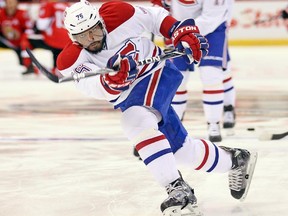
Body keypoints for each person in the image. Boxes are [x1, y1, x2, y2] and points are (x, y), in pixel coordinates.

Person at [56, 1, 257, 215]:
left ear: (100, 22)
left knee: (133, 120)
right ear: (72, 37)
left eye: (94, 31)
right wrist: (112, 82)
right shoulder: (70, 60)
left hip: (156, 73)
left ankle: (178, 190)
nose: (91, 39)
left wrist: (178, 31)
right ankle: (235, 160)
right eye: (82, 36)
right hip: (129, 95)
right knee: (181, 152)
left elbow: (154, 17)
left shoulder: (118, 13)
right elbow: (94, 86)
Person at [153, 0, 236, 142]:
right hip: (178, 28)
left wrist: (185, 33)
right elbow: (160, 10)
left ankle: (214, 123)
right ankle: (173, 126)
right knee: (178, 79)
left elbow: (212, 18)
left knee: (211, 76)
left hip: (212, 30)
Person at [30, 0, 71, 75]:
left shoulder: (47, 4)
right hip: (69, 40)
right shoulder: (67, 5)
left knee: (26, 39)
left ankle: (28, 65)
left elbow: (41, 25)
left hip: (55, 40)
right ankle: (58, 68)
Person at [0, 0, 36, 75]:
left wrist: (20, 36)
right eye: (9, 3)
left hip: (20, 43)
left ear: (17, 4)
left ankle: (29, 66)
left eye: (13, 3)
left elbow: (30, 29)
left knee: (25, 44)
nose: (11, 6)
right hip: (8, 41)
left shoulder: (23, 13)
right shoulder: (1, 13)